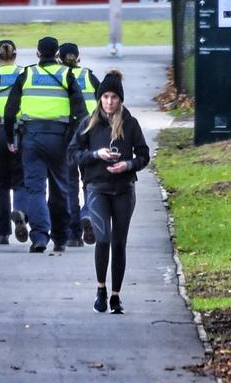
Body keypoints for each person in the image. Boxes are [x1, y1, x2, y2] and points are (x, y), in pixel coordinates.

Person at [67, 69, 150, 314]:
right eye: (105, 97)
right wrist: (96, 154)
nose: (109, 102)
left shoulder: (130, 123)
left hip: (124, 189)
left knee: (119, 243)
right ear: (99, 99)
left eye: (114, 97)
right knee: (102, 239)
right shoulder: (88, 123)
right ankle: (101, 289)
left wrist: (128, 164)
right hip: (97, 188)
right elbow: (72, 155)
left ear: (120, 99)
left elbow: (144, 154)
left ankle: (116, 295)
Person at [4, 36, 88, 253]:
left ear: (38, 54)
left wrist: (9, 138)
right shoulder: (67, 75)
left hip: (31, 137)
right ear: (57, 55)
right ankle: (60, 237)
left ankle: (40, 237)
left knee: (35, 189)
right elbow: (81, 112)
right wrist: (75, 138)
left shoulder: (27, 74)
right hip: (60, 139)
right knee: (60, 189)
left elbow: (10, 109)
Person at [57, 42, 100, 248]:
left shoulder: (57, 77)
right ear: (79, 58)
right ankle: (89, 214)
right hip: (90, 135)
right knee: (90, 181)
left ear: (59, 58)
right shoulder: (88, 76)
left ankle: (72, 234)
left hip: (66, 137)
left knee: (68, 185)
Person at [0, 40, 28, 245]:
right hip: (19, 132)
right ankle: (20, 213)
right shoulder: (25, 74)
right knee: (21, 180)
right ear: (15, 56)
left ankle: (1, 233)